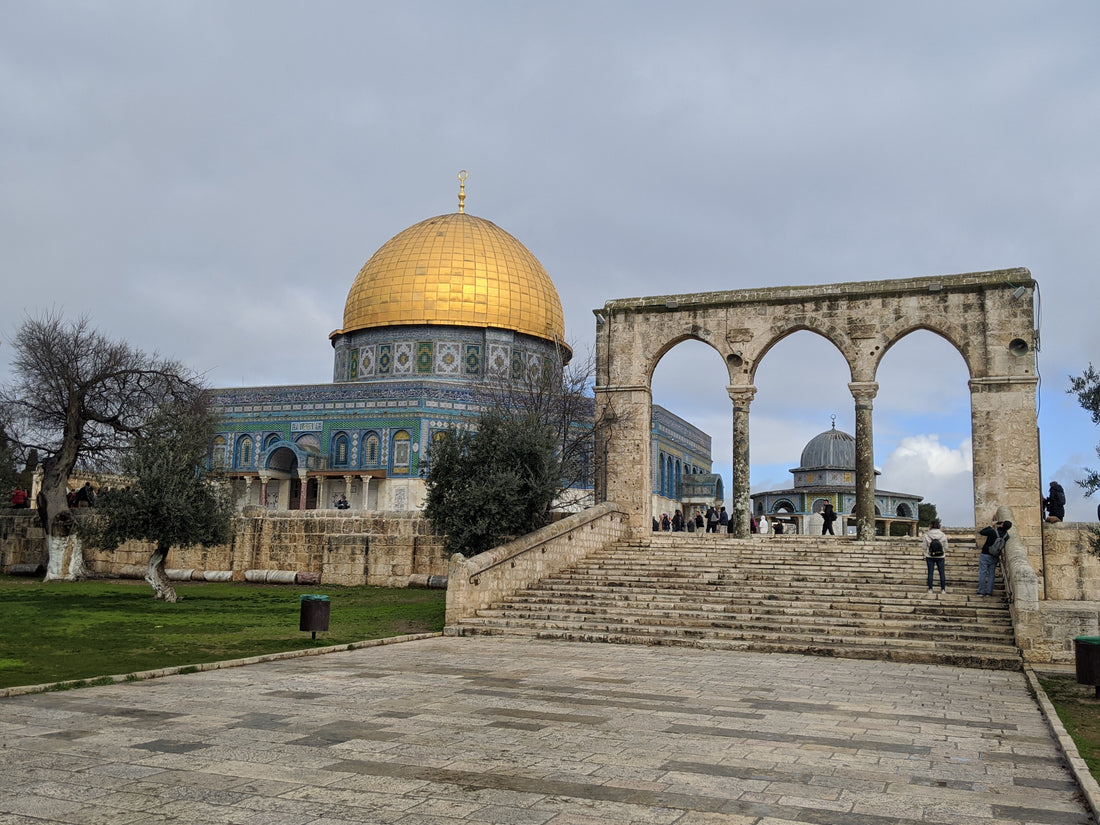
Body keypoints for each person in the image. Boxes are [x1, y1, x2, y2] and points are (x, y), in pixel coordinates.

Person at [976, 519, 1011, 596]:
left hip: (985, 554)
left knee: (983, 573)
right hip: (994, 556)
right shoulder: (1006, 536)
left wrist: (992, 526)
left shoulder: (992, 531)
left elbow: (982, 532)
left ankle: (981, 591)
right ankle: (989, 592)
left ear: (1001, 524)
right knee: (991, 574)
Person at [922, 518, 948, 594]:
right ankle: (943, 589)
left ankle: (930, 589)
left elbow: (924, 547)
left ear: (930, 526)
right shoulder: (943, 535)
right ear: (939, 526)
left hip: (930, 556)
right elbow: (946, 547)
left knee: (930, 572)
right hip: (940, 556)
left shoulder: (927, 535)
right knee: (941, 573)